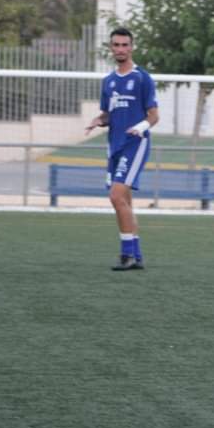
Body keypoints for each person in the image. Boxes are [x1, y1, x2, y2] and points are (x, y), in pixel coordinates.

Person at [85, 27, 159, 271]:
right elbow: (109, 113)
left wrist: (140, 127)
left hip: (135, 144)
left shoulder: (142, 78)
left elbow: (154, 116)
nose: (120, 49)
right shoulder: (108, 82)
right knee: (125, 201)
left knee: (116, 196)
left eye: (124, 45)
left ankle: (126, 254)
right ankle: (136, 256)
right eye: (116, 45)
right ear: (111, 48)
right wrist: (99, 120)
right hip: (114, 145)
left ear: (132, 47)